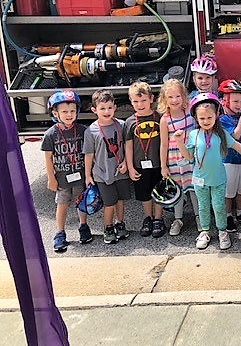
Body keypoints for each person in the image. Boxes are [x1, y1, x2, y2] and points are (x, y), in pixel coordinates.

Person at [174, 93, 241, 250]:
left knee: (219, 206)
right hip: (199, 179)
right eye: (202, 118)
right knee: (203, 206)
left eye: (209, 118)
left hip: (218, 179)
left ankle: (222, 232)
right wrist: (179, 142)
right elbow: (188, 156)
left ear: (216, 115)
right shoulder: (193, 135)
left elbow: (238, 146)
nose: (206, 121)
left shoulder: (221, 134)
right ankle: (205, 231)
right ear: (196, 118)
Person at [42, 90, 92, 252]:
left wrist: (89, 175)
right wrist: (51, 178)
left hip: (80, 175)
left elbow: (88, 154)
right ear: (55, 113)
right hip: (62, 177)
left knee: (80, 201)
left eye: (72, 111)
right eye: (64, 112)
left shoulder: (83, 131)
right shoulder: (51, 134)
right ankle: (60, 232)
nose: (69, 115)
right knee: (62, 204)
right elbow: (48, 158)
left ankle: (83, 226)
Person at [84, 90, 131, 244]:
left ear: (115, 108)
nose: (106, 111)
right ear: (94, 110)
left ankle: (120, 223)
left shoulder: (121, 125)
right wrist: (88, 175)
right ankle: (108, 227)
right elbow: (89, 154)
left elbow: (126, 147)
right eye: (102, 108)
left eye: (110, 108)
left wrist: (126, 163)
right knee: (109, 203)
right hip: (103, 173)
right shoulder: (91, 131)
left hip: (120, 171)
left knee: (120, 200)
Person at [124, 81, 165, 238]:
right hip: (139, 165)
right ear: (131, 101)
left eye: (143, 100)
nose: (140, 104)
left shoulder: (160, 118)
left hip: (158, 164)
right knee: (144, 194)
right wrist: (130, 167)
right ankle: (148, 217)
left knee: (159, 192)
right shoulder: (129, 122)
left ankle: (158, 219)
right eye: (135, 101)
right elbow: (128, 146)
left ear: (151, 99)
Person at [158, 79, 199, 236]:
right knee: (178, 191)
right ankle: (178, 219)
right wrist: (163, 166)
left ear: (183, 96)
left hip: (191, 158)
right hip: (174, 160)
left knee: (195, 189)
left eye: (177, 96)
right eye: (170, 97)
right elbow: (163, 144)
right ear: (164, 99)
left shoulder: (190, 112)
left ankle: (199, 216)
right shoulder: (165, 120)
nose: (174, 100)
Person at [218, 79, 241, 230]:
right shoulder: (222, 119)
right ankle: (228, 215)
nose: (239, 105)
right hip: (229, 161)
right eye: (235, 101)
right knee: (229, 191)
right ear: (224, 101)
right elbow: (235, 136)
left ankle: (240, 212)